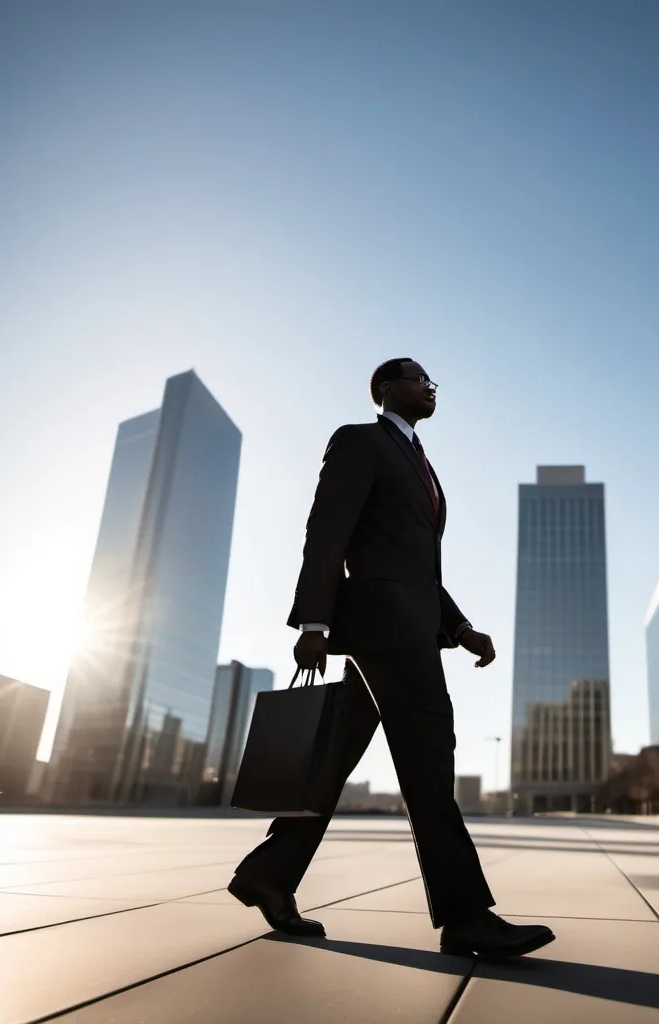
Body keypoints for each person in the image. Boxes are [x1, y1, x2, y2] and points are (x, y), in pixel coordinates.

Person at [228, 358, 555, 959]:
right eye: (419, 378)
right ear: (386, 389)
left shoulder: (423, 466)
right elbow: (326, 532)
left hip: (405, 628)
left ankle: (269, 874)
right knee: (430, 761)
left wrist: (460, 627)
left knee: (330, 762)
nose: (431, 387)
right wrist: (315, 622)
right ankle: (464, 915)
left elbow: (417, 567)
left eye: (433, 381)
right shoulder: (359, 441)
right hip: (385, 633)